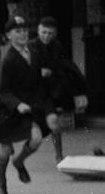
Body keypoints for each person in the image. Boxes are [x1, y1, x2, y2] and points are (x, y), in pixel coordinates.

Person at [0, 16, 49, 194]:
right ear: (8, 35)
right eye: (17, 31)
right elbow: (4, 92)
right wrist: (18, 104)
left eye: (24, 30)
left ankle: (19, 161)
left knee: (36, 139)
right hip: (8, 111)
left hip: (28, 109)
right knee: (5, 150)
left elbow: (36, 82)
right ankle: (1, 182)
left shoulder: (34, 53)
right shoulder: (8, 59)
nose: (22, 34)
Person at [29, 17, 88, 163]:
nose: (47, 36)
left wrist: (78, 92)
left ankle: (59, 155)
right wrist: (38, 72)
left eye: (50, 33)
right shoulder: (30, 47)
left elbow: (66, 67)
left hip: (50, 91)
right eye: (44, 32)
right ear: (38, 30)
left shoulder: (57, 47)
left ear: (55, 34)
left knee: (54, 123)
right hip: (34, 91)